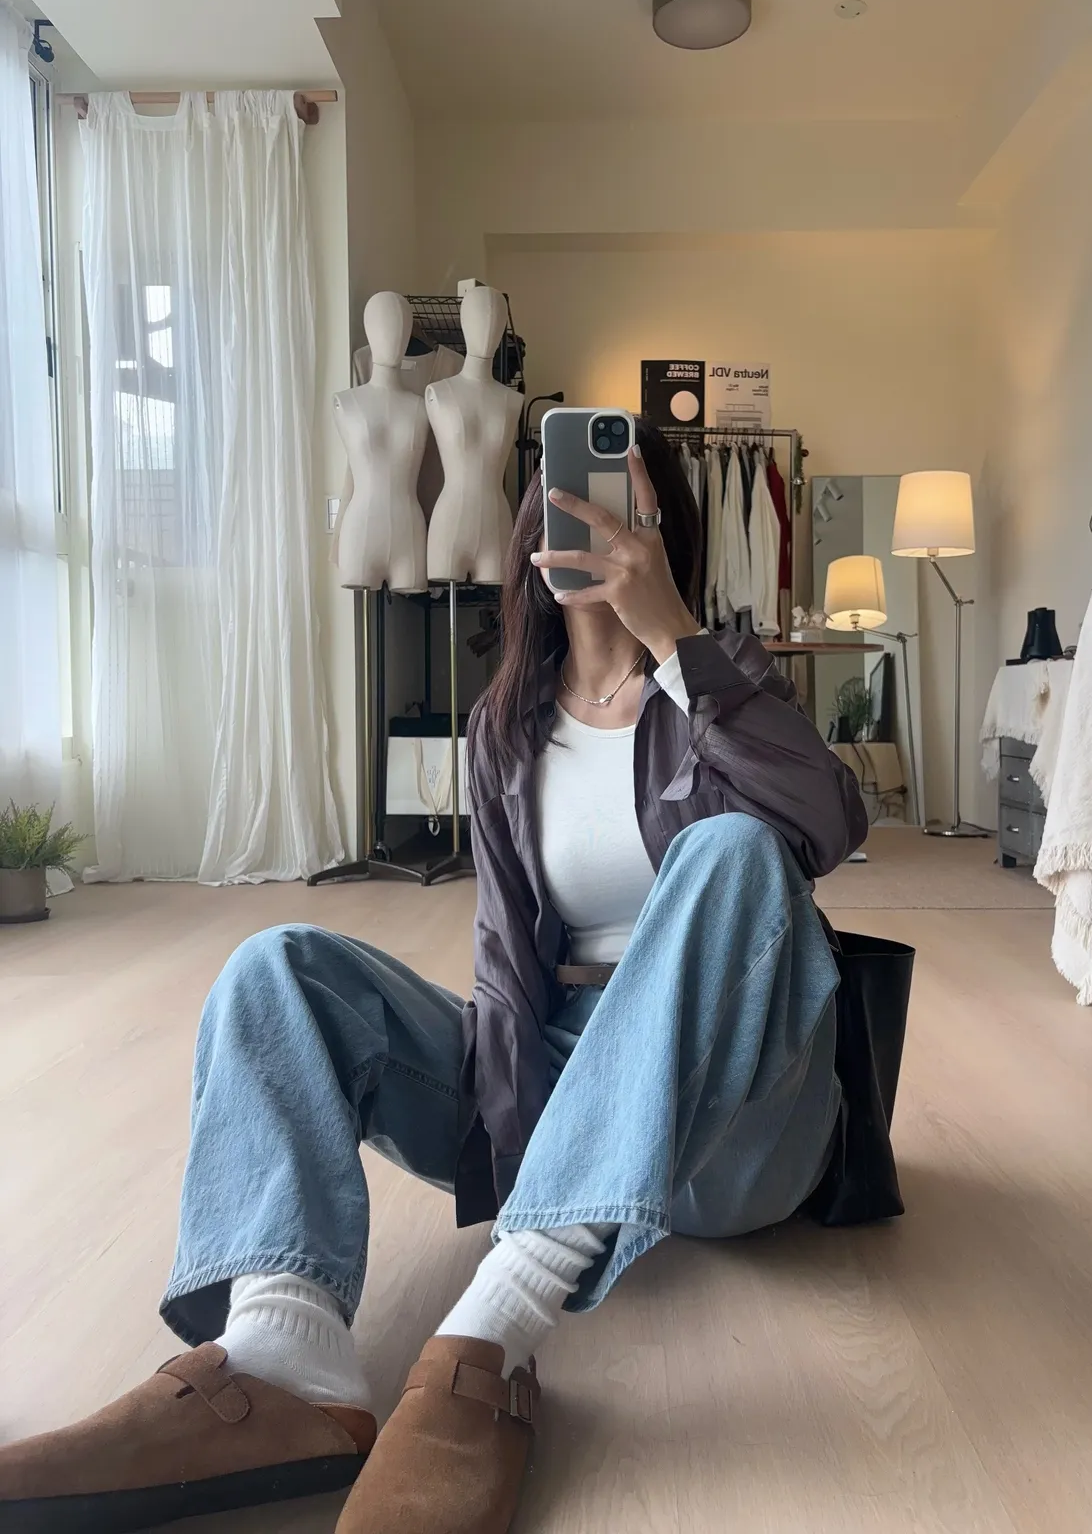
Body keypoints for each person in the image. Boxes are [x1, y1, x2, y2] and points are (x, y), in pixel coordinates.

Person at [0, 424, 868, 1534]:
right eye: (578, 499)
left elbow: (830, 822)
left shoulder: (720, 681)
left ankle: (497, 1322)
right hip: (567, 1068)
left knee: (734, 851)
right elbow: (505, 966)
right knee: (280, 970)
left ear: (670, 536)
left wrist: (674, 643)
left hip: (734, 1116)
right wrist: (524, 1142)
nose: (602, 524)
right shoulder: (505, 727)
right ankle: (282, 1359)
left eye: (633, 508)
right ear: (533, 529)